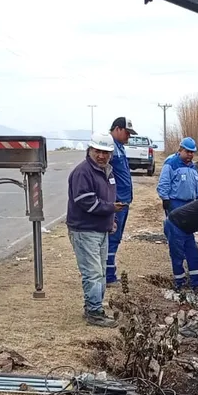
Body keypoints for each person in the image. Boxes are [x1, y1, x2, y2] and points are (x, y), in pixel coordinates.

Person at [66, 133, 125, 328]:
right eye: (98, 151)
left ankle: (94, 307)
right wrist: (110, 210)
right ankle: (94, 312)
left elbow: (109, 199)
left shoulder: (107, 172)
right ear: (90, 150)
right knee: (92, 273)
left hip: (100, 230)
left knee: (99, 272)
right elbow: (85, 202)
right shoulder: (83, 172)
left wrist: (112, 219)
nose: (101, 156)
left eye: (105, 152)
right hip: (84, 230)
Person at [106, 116, 136, 285]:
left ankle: (109, 272)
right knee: (112, 237)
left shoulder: (119, 147)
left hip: (123, 201)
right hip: (116, 202)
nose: (128, 137)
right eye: (127, 132)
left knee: (116, 238)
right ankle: (109, 275)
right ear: (117, 129)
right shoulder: (109, 148)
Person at [156, 136, 198, 216]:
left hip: (190, 204)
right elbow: (164, 183)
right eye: (187, 151)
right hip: (175, 204)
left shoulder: (193, 167)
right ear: (180, 150)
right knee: (175, 227)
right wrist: (165, 199)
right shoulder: (171, 164)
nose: (190, 154)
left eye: (192, 152)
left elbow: (197, 187)